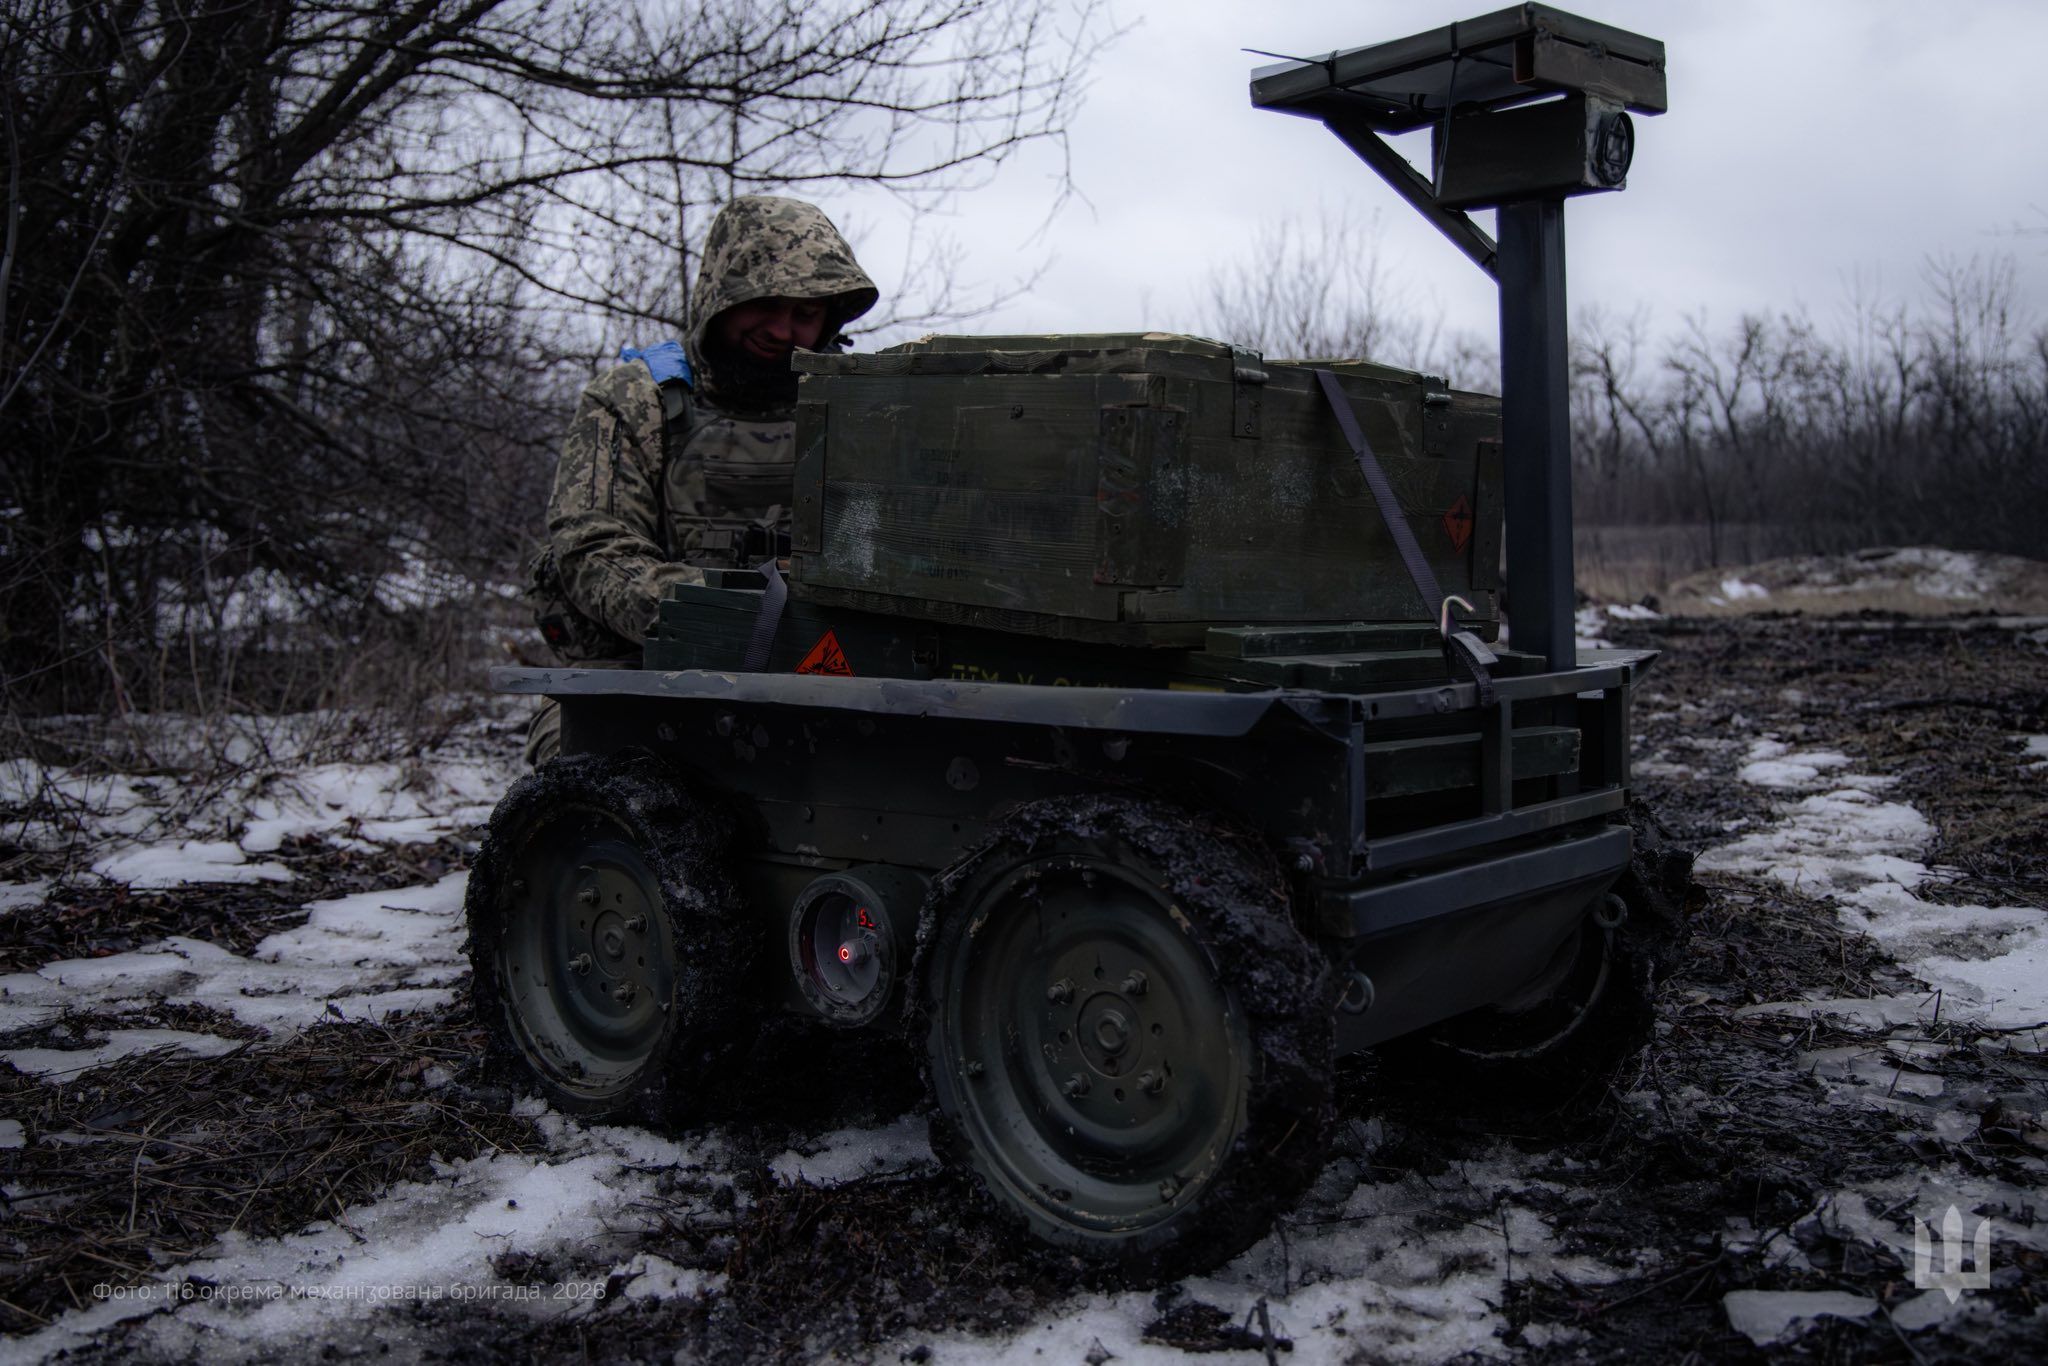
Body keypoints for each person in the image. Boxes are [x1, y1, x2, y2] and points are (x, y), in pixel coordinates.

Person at [524, 196, 879, 764]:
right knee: (587, 793)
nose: (784, 329)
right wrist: (730, 621)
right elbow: (590, 547)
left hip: (828, 670)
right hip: (642, 670)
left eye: (807, 312)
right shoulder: (633, 400)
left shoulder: (864, 408)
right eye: (767, 303)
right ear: (722, 296)